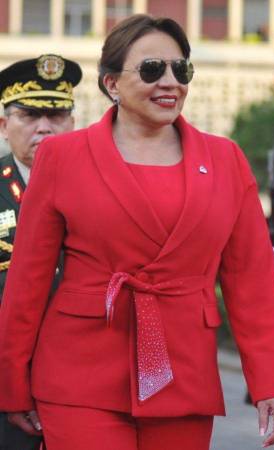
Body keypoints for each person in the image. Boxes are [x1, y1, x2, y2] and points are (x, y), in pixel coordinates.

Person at [0, 15, 274, 450]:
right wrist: (12, 384)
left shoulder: (226, 159)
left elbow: (252, 281)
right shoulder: (63, 157)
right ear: (112, 83)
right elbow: (28, 282)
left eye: (181, 69)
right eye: (153, 69)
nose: (170, 81)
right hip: (79, 374)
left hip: (183, 371)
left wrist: (269, 383)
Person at [0, 53, 81, 450]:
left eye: (58, 115)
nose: (45, 127)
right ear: (3, 125)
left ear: (74, 121)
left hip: (81, 377)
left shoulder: (98, 188)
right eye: (29, 115)